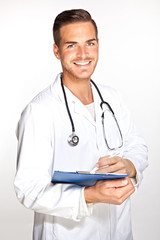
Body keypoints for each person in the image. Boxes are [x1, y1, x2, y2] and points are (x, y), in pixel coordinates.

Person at [14, 9, 148, 240]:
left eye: (90, 43)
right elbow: (28, 189)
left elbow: (137, 146)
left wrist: (129, 165)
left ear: (98, 45)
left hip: (118, 230)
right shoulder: (40, 111)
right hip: (67, 233)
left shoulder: (112, 98)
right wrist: (90, 195)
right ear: (57, 51)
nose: (83, 53)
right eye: (71, 45)